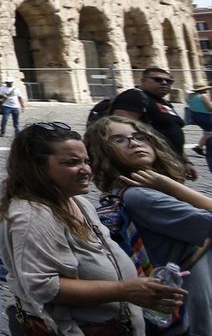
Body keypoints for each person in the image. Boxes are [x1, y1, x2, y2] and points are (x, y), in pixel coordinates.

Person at [0, 122, 183, 336]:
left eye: (86, 161)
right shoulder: (33, 215)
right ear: (36, 168)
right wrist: (125, 290)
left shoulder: (78, 202)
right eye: (71, 162)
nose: (86, 170)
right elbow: (43, 286)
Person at [84, 115, 211, 335]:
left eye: (139, 136)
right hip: (190, 310)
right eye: (119, 140)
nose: (134, 143)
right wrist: (173, 187)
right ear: (103, 153)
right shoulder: (141, 196)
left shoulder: (134, 191)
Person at [111, 67, 198, 180]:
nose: (164, 83)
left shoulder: (165, 103)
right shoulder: (134, 96)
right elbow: (121, 130)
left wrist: (186, 162)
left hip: (170, 162)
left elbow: (173, 132)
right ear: (143, 81)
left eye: (169, 81)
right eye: (158, 80)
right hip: (150, 164)